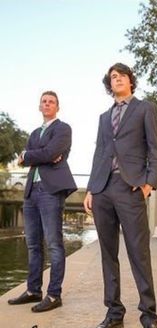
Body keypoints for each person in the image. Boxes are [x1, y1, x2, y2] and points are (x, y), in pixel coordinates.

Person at [83, 63, 157, 328]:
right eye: (112, 77)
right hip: (103, 189)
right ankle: (114, 313)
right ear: (109, 84)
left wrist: (148, 184)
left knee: (139, 253)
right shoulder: (104, 117)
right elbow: (99, 153)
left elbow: (155, 150)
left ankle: (149, 314)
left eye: (121, 76)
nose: (116, 79)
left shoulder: (144, 108)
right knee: (108, 254)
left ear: (130, 81)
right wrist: (91, 189)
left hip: (130, 188)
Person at [8, 91, 77, 312]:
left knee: (54, 244)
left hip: (50, 190)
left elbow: (49, 153)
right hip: (31, 191)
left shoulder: (63, 129)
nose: (47, 104)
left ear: (58, 106)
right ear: (40, 107)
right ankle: (33, 290)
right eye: (44, 102)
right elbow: (45, 155)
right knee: (33, 244)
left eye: (51, 102)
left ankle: (54, 295)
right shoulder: (35, 132)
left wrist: (28, 155)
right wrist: (41, 155)